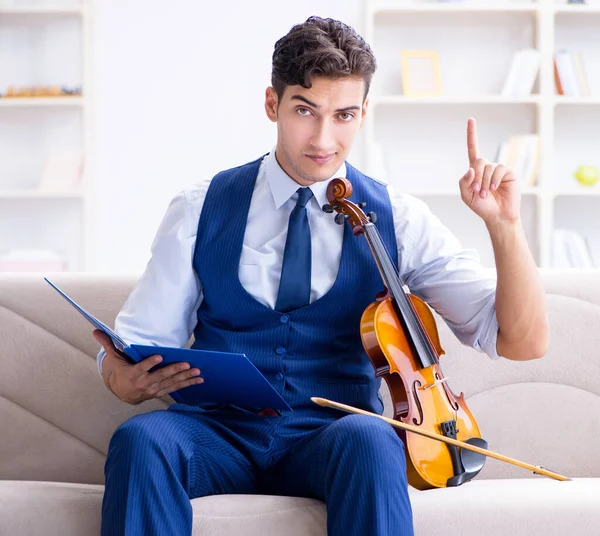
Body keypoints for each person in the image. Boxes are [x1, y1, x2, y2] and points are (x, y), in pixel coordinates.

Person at [94, 15, 549, 536]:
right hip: (219, 430)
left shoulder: (397, 216)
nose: (324, 138)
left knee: (375, 440)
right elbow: (136, 344)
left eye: (344, 115)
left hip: (330, 436)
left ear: (364, 113)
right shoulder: (200, 207)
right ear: (273, 105)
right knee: (141, 439)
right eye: (305, 111)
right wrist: (120, 378)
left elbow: (523, 341)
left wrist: (506, 226)